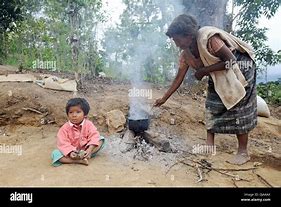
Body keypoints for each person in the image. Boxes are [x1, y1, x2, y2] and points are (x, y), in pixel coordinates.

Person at [154, 14, 257, 165]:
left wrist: (203, 71)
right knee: (211, 104)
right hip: (219, 71)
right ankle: (209, 145)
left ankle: (243, 152)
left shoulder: (209, 39)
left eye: (177, 39)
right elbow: (179, 77)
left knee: (238, 107)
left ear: (188, 36)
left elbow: (230, 61)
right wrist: (164, 98)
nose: (175, 43)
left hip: (240, 67)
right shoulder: (186, 53)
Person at [51, 98, 105, 166]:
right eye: (71, 112)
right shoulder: (64, 128)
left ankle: (88, 155)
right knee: (55, 153)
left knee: (101, 139)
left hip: (86, 149)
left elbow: (94, 135)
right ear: (67, 114)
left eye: (78, 112)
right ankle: (78, 161)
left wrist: (90, 149)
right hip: (73, 153)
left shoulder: (88, 124)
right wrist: (70, 152)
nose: (74, 115)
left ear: (85, 114)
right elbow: (63, 142)